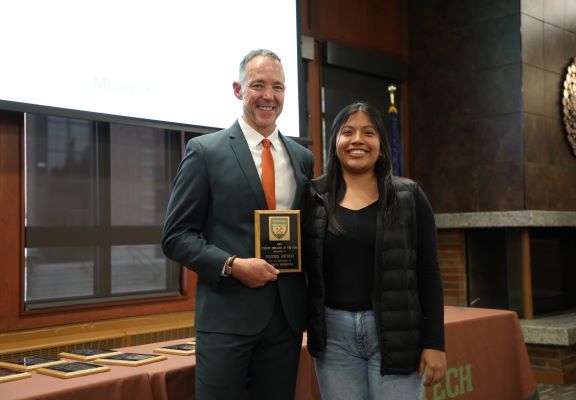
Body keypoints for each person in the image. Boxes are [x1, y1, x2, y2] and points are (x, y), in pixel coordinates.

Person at [162, 49, 314, 400]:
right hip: (226, 319)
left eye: (277, 87)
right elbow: (175, 236)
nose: (268, 96)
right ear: (237, 89)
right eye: (257, 85)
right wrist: (232, 266)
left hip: (285, 321)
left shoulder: (302, 158)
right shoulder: (205, 151)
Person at [303, 101, 446, 399]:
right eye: (348, 132)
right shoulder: (313, 197)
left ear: (381, 145)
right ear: (335, 143)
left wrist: (435, 343)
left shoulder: (410, 196)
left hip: (397, 334)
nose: (357, 140)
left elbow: (429, 272)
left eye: (368, 133)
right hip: (334, 338)